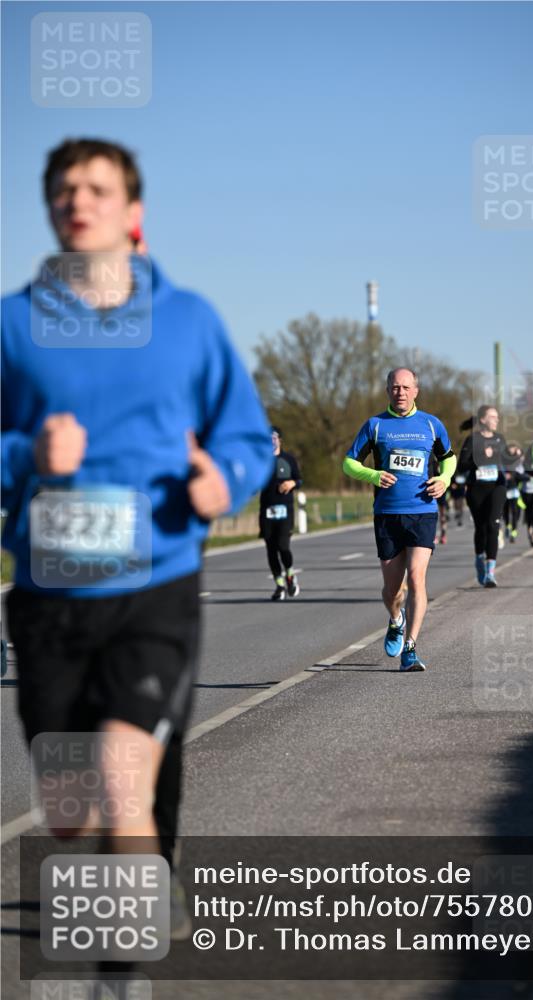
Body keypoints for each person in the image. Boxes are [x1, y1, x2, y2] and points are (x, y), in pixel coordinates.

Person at [1, 140, 273, 925]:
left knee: (122, 783)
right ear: (50, 208)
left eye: (95, 188)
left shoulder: (188, 321)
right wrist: (26, 455)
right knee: (69, 811)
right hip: (51, 593)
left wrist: (224, 479)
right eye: (62, 191)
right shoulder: (14, 326)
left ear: (132, 211)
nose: (77, 201)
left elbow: (246, 437)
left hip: (155, 582)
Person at [342, 367, 456, 671]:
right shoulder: (375, 426)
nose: (401, 392)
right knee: (393, 591)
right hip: (387, 515)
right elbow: (349, 463)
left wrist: (444, 479)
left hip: (422, 511)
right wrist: (374, 474)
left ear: (416, 390)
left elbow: (449, 457)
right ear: (387, 390)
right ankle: (395, 619)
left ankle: (411, 647)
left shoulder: (432, 425)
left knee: (417, 578)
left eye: (406, 387)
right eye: (395, 387)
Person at [457, 405, 521, 588]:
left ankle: (490, 572)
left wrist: (515, 456)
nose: (496, 420)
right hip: (476, 488)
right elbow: (461, 466)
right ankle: (479, 560)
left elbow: (506, 461)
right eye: (493, 417)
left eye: (497, 417)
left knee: (493, 525)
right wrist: (480, 457)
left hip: (497, 487)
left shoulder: (500, 439)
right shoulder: (472, 440)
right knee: (481, 528)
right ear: (483, 420)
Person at [259, 426, 302, 599]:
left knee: (283, 546)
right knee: (271, 549)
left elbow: (299, 479)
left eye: (274, 437)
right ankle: (279, 585)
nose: (271, 440)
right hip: (267, 510)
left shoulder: (288, 459)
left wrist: (292, 484)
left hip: (285, 510)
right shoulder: (261, 460)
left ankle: (290, 576)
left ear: (279, 440)